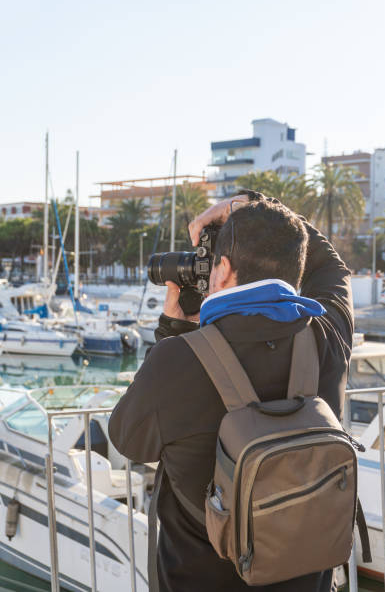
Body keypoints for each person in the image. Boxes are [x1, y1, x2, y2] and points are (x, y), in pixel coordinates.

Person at [108, 190, 353, 592]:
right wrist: (250, 206)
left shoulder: (176, 362)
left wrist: (174, 331)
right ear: (297, 268)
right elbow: (334, 268)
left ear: (221, 269)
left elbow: (127, 440)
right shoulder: (327, 337)